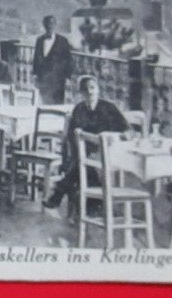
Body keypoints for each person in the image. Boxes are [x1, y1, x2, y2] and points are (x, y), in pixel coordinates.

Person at [43, 75, 129, 215]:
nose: (90, 92)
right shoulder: (79, 109)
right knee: (83, 165)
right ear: (80, 93)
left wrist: (122, 135)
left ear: (98, 89)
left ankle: (58, 195)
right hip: (83, 153)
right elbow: (72, 137)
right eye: (85, 89)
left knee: (81, 167)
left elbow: (125, 128)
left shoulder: (109, 107)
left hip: (107, 152)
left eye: (92, 88)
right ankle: (94, 206)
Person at [31, 15, 73, 104]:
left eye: (51, 24)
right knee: (45, 102)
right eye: (47, 24)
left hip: (58, 80)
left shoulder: (63, 41)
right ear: (44, 25)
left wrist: (68, 78)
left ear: (55, 25)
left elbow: (68, 60)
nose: (49, 26)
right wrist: (35, 74)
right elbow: (36, 58)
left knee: (58, 104)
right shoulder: (39, 40)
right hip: (43, 79)